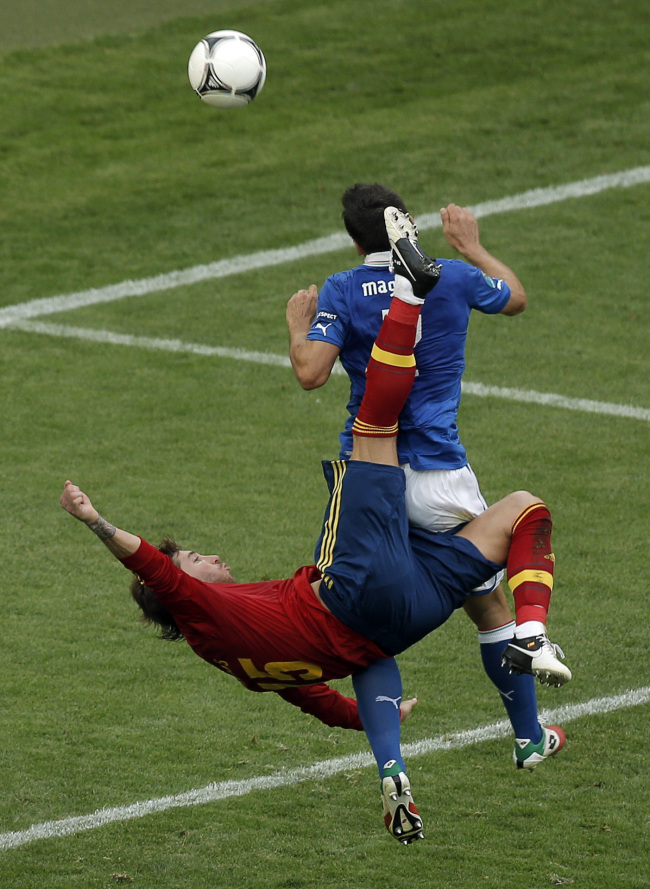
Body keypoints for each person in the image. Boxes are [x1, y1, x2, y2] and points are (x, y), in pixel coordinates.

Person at [60, 211, 569, 845]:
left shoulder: (239, 663)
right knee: (373, 429)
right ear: (179, 589)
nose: (205, 556)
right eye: (192, 558)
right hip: (366, 567)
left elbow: (313, 700)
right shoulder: (195, 607)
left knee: (495, 546)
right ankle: (534, 641)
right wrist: (95, 521)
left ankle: (401, 767)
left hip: (394, 623)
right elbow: (150, 564)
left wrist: (373, 724)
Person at [286, 184, 565, 756]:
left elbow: (311, 373)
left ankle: (390, 762)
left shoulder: (342, 288)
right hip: (440, 477)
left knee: (366, 627)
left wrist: (297, 325)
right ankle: (529, 735)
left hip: (369, 474)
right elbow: (515, 297)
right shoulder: (453, 275)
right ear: (404, 224)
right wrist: (473, 246)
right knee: (489, 607)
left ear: (352, 238)